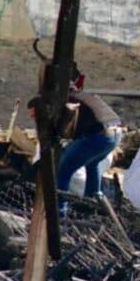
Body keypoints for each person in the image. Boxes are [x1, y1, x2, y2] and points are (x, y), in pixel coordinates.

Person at [29, 67, 123, 201]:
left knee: (62, 172)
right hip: (116, 134)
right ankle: (93, 202)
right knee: (92, 165)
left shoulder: (67, 100)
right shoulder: (84, 96)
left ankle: (59, 211)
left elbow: (62, 129)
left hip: (99, 136)